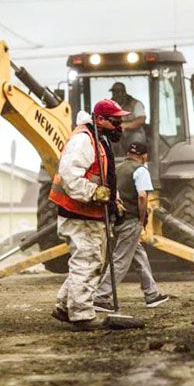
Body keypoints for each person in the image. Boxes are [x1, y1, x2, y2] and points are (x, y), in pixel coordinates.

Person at [49, 99, 128, 330]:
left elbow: (104, 176)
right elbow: (70, 177)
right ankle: (82, 315)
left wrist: (115, 200)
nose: (119, 126)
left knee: (85, 262)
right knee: (87, 262)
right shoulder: (84, 139)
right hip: (79, 214)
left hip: (88, 214)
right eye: (116, 121)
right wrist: (95, 194)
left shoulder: (99, 139)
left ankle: (64, 307)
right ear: (101, 119)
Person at [93, 141, 168, 312]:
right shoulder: (140, 170)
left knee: (139, 255)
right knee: (120, 260)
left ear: (128, 153)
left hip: (116, 220)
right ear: (144, 156)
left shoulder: (117, 169)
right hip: (131, 220)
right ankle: (100, 297)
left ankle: (152, 294)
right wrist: (141, 220)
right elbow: (142, 196)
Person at [110, 82, 147, 151]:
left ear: (124, 93)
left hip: (133, 134)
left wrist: (125, 126)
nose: (115, 95)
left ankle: (135, 159)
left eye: (118, 92)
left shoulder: (135, 104)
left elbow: (141, 119)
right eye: (114, 93)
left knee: (137, 138)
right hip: (115, 136)